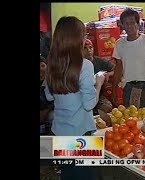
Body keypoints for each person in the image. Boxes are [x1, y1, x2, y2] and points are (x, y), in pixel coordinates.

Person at [44, 16, 105, 179]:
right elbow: (89, 104)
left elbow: (49, 96)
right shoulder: (85, 65)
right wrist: (98, 83)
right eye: (84, 34)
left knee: (68, 175)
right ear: (76, 38)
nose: (85, 38)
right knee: (88, 176)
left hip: (59, 131)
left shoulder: (52, 63)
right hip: (81, 133)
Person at [112, 9, 145, 111]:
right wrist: (114, 90)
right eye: (126, 23)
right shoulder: (119, 44)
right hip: (128, 88)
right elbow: (118, 69)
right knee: (131, 120)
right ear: (122, 25)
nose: (129, 26)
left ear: (138, 24)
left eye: (132, 23)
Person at [83, 38, 114, 116]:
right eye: (85, 48)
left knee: (108, 107)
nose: (89, 50)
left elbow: (116, 70)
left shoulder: (100, 62)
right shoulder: (77, 65)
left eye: (90, 47)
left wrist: (108, 74)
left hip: (99, 95)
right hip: (82, 96)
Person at [40, 56, 54, 134]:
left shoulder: (53, 81)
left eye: (43, 66)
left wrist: (46, 111)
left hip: (51, 112)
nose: (41, 69)